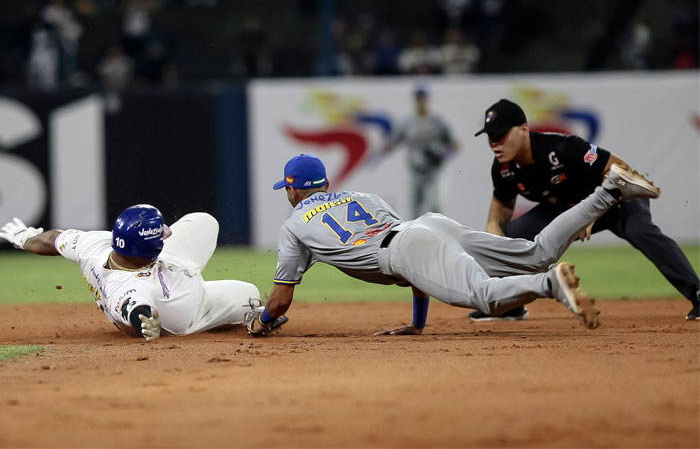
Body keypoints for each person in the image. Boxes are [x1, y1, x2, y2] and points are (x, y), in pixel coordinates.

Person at [244, 153, 660, 337]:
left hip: (408, 247)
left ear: (294, 189)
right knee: (535, 252)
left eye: (288, 187)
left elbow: (280, 302)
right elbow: (411, 252)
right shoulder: (362, 197)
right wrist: (418, 322)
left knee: (486, 296)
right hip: (428, 227)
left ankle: (551, 286)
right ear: (326, 185)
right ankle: (609, 190)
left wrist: (261, 323)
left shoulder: (296, 223)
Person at [471, 98, 699, 322]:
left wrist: (592, 212)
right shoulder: (503, 169)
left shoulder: (561, 148)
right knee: (512, 235)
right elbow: (498, 215)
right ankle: (509, 304)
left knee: (640, 230)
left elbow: (622, 171)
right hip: (564, 210)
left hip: (616, 201)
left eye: (501, 135)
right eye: (491, 137)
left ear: (523, 130)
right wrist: (497, 241)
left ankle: (696, 292)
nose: (495, 143)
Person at [0, 205, 284, 341]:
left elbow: (52, 240)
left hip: (168, 262)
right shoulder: (127, 289)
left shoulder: (92, 244)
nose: (165, 234)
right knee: (249, 293)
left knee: (204, 221)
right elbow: (135, 311)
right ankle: (243, 316)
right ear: (149, 246)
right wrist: (145, 323)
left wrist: (25, 238)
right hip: (197, 305)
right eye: (160, 235)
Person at [384, 86, 457, 217]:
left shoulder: (439, 120)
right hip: (416, 170)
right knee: (416, 208)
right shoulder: (407, 122)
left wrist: (444, 156)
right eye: (418, 98)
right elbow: (392, 143)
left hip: (435, 170)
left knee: (437, 205)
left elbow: (454, 145)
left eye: (423, 98)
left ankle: (440, 235)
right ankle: (416, 236)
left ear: (428, 99)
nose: (421, 101)